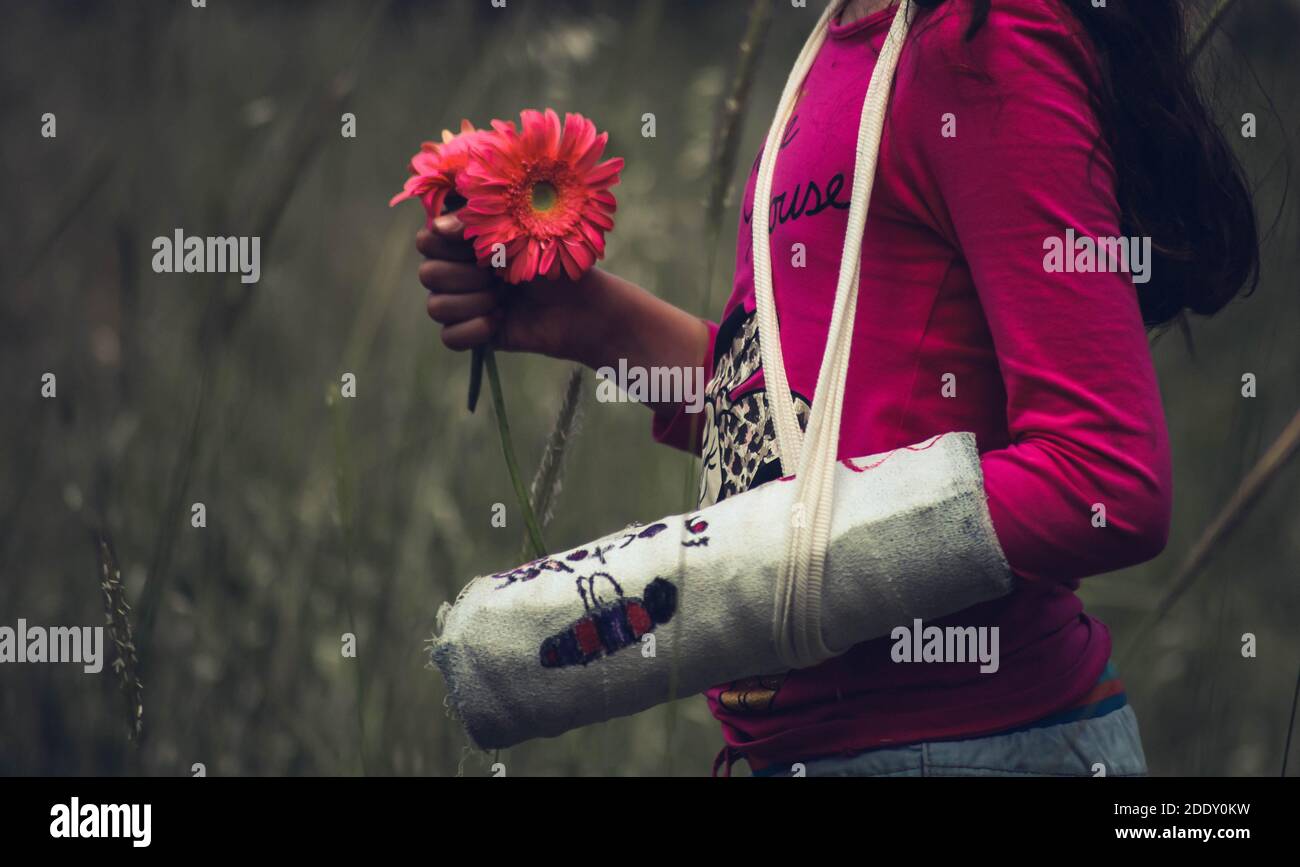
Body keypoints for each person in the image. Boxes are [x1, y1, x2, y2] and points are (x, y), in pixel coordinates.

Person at [413, 0, 1258, 776]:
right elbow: (805, 441)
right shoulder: (833, 51)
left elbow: (1105, 478)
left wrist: (747, 576)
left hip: (976, 745)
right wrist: (598, 325)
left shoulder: (985, 41)